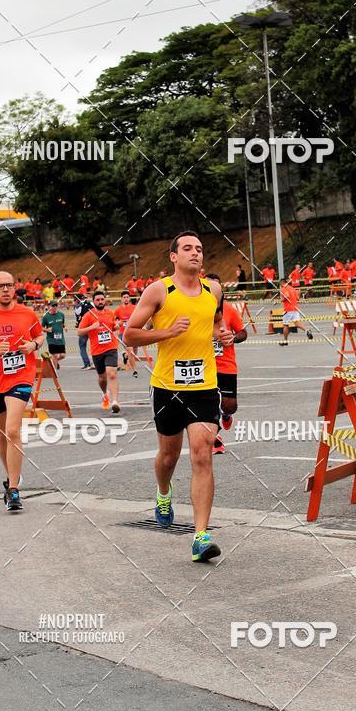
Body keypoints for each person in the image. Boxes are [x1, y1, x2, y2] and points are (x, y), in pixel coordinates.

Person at [123, 231, 230, 563]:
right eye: (187, 248)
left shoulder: (213, 289)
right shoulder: (159, 290)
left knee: (202, 455)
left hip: (204, 387)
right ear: (173, 256)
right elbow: (129, 334)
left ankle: (200, 537)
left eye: (199, 249)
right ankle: (164, 492)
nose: (195, 254)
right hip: (168, 387)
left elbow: (214, 324)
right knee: (168, 457)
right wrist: (167, 332)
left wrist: (221, 334)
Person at [0, 272, 44, 512]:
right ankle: (11, 478)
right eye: (0, 286)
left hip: (20, 377)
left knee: (12, 430)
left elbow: (39, 335)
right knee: (1, 434)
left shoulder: (27, 313)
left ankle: (15, 490)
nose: (5, 289)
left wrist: (33, 345)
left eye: (9, 285)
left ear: (15, 288)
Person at [205, 274, 247, 455]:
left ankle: (226, 415)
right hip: (205, 366)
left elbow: (243, 333)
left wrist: (233, 338)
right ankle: (216, 439)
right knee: (210, 404)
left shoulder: (229, 310)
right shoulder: (198, 309)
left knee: (230, 405)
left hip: (226, 365)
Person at [77, 290, 121, 412]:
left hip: (111, 347)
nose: (100, 301)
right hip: (97, 351)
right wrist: (92, 327)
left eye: (102, 299)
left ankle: (115, 401)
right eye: (98, 300)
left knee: (111, 374)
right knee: (102, 378)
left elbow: (114, 327)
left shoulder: (110, 313)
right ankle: (104, 393)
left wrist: (116, 327)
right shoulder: (89, 315)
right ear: (94, 302)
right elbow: (79, 332)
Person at [278, 278, 314, 346]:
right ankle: (307, 330)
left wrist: (281, 297)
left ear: (281, 283)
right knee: (297, 323)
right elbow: (298, 298)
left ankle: (285, 341)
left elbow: (286, 297)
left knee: (285, 325)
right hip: (295, 308)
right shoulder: (293, 288)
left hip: (288, 309)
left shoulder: (283, 289)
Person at [114, 290, 137, 376]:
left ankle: (125, 355)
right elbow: (115, 323)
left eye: (127, 297)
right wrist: (118, 323)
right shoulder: (118, 310)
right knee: (130, 350)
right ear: (121, 299)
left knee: (133, 352)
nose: (126, 299)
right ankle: (135, 370)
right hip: (124, 334)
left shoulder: (134, 308)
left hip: (134, 332)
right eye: (124, 297)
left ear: (129, 298)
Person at [41, 300, 66, 371]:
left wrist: (65, 327)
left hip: (60, 339)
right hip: (51, 339)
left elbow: (62, 323)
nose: (54, 307)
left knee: (62, 355)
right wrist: (47, 330)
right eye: (53, 306)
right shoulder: (46, 317)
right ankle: (54, 372)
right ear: (49, 307)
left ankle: (52, 362)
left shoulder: (61, 314)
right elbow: (41, 327)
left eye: (56, 306)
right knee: (54, 355)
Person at [74, 292, 94, 369]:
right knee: (93, 344)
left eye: (75, 300)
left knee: (82, 346)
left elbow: (79, 318)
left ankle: (87, 363)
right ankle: (94, 362)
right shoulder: (89, 304)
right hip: (92, 327)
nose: (74, 302)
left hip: (84, 328)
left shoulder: (78, 307)